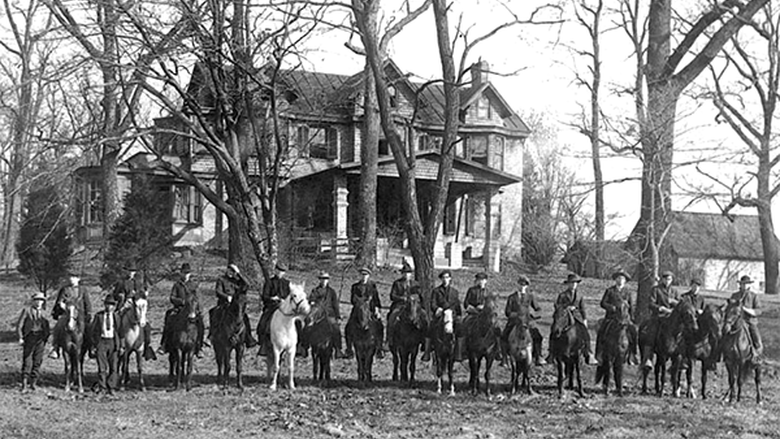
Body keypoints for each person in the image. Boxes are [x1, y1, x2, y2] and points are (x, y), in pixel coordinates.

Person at [159, 263, 205, 358]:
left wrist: (199, 308)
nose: (186, 275)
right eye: (184, 273)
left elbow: (198, 298)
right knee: (169, 318)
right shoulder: (177, 285)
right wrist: (182, 301)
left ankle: (199, 346)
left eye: (187, 273)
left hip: (192, 309)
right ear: (181, 273)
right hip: (179, 309)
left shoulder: (194, 285)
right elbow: (172, 297)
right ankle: (164, 344)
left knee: (201, 324)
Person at [549, 274, 595, 365]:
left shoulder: (580, 295)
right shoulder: (562, 295)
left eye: (575, 283)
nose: (574, 285)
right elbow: (558, 306)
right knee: (554, 330)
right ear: (568, 284)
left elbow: (583, 308)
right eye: (572, 283)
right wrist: (567, 307)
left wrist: (585, 319)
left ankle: (589, 353)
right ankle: (551, 353)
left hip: (577, 317)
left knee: (586, 333)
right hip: (565, 317)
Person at [595, 269, 638, 366]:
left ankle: (632, 355)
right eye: (618, 278)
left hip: (625, 318)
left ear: (625, 280)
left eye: (622, 278)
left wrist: (631, 318)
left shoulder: (628, 292)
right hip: (612, 317)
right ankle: (599, 354)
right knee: (602, 331)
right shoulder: (610, 291)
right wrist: (611, 308)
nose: (620, 280)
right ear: (615, 280)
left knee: (633, 332)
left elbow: (631, 306)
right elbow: (603, 303)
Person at [211, 263, 257, 348]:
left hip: (236, 306)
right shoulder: (221, 279)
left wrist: (239, 273)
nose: (231, 272)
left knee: (245, 317)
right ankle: (212, 335)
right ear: (227, 269)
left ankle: (249, 338)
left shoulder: (237, 280)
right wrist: (227, 297)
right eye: (230, 270)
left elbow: (247, 285)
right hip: (224, 304)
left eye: (233, 271)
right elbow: (218, 291)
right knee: (215, 313)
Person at [502, 275, 545, 366]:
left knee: (538, 336)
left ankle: (538, 356)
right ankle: (504, 358)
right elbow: (507, 311)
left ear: (527, 286)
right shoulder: (512, 297)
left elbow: (539, 309)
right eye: (520, 285)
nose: (522, 287)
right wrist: (515, 315)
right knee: (504, 336)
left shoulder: (530, 296)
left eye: (524, 285)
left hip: (528, 321)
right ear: (517, 285)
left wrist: (534, 315)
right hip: (515, 321)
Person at [640, 270, 679, 370]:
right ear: (662, 279)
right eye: (665, 279)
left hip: (671, 318)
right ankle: (648, 358)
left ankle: (681, 358)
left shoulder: (675, 291)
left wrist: (673, 305)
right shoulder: (656, 289)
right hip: (658, 317)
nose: (667, 281)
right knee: (651, 333)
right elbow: (651, 303)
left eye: (669, 279)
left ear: (672, 280)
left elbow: (680, 304)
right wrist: (660, 308)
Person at [49, 273, 92, 359]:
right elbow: (59, 301)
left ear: (78, 278)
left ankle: (91, 349)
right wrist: (62, 306)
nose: (72, 279)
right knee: (58, 326)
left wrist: (89, 313)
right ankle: (55, 347)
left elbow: (87, 302)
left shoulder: (83, 289)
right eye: (71, 277)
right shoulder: (65, 289)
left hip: (80, 315)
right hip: (67, 313)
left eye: (74, 277)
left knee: (89, 330)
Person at [458, 272, 499, 361]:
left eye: (483, 280)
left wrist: (485, 308)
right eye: (479, 280)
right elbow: (466, 303)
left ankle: (497, 351)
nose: (481, 282)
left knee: (497, 328)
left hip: (486, 315)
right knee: (462, 325)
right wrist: (472, 308)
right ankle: (461, 350)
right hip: (474, 314)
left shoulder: (489, 293)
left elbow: (494, 306)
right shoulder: (471, 290)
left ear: (486, 281)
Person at [345, 266, 383, 359]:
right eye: (362, 275)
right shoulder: (355, 286)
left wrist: (377, 310)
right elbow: (353, 299)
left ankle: (379, 348)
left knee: (380, 325)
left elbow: (376, 299)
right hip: (358, 309)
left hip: (370, 309)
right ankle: (349, 348)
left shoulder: (372, 286)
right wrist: (360, 302)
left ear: (369, 276)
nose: (364, 276)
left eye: (366, 275)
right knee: (348, 326)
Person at [16, 292, 50, 392]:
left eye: (41, 300)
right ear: (33, 301)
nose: (39, 302)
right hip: (29, 337)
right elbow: (19, 325)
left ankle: (33, 383)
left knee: (38, 361)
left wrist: (46, 338)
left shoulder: (44, 313)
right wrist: (20, 337)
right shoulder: (27, 311)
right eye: (37, 300)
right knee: (27, 360)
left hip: (40, 339)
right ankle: (24, 384)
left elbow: (47, 327)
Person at [308, 270, 345, 358]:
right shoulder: (315, 290)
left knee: (336, 328)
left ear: (328, 280)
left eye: (326, 279)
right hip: (317, 314)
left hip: (329, 314)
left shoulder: (332, 292)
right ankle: (304, 346)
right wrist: (313, 303)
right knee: (308, 326)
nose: (324, 280)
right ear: (319, 280)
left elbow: (335, 305)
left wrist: (338, 316)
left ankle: (338, 349)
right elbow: (311, 300)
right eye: (322, 278)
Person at [257, 263, 291, 357]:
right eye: (279, 271)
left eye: (282, 271)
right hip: (272, 306)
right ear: (275, 270)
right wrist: (272, 298)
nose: (280, 273)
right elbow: (264, 296)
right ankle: (262, 342)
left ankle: (299, 346)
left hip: (284, 307)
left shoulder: (287, 283)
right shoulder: (269, 282)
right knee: (263, 323)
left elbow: (290, 297)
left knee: (296, 323)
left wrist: (284, 300)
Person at [427, 270, 461, 362]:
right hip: (440, 314)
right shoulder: (436, 291)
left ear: (450, 279)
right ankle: (427, 350)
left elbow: (457, 305)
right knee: (431, 326)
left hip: (451, 315)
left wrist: (457, 314)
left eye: (447, 277)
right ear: (441, 279)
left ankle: (459, 351)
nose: (445, 279)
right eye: (443, 278)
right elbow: (433, 303)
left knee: (460, 327)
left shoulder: (455, 292)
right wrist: (437, 309)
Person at [386, 261, 420, 354]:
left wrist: (414, 297)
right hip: (400, 305)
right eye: (405, 273)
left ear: (411, 274)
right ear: (402, 274)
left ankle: (424, 340)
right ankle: (389, 339)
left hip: (413, 305)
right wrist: (402, 298)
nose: (406, 275)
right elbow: (392, 296)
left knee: (423, 317)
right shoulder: (397, 283)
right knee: (392, 317)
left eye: (408, 273)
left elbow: (419, 295)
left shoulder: (415, 284)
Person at [91, 295, 121, 395]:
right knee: (102, 367)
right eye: (107, 304)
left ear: (114, 306)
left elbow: (121, 332)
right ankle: (102, 387)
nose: (109, 307)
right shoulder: (98, 316)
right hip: (102, 342)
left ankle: (111, 387)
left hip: (113, 342)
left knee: (114, 367)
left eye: (111, 305)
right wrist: (94, 345)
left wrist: (121, 346)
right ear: (104, 305)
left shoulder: (117, 317)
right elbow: (93, 331)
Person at [729, 275, 763, 358]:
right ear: (740, 285)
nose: (744, 286)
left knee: (757, 339)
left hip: (749, 322)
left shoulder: (754, 296)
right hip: (735, 321)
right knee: (724, 332)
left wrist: (746, 309)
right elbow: (729, 307)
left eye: (746, 284)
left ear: (749, 285)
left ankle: (757, 356)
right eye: (743, 284)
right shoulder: (735, 295)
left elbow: (758, 311)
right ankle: (719, 355)